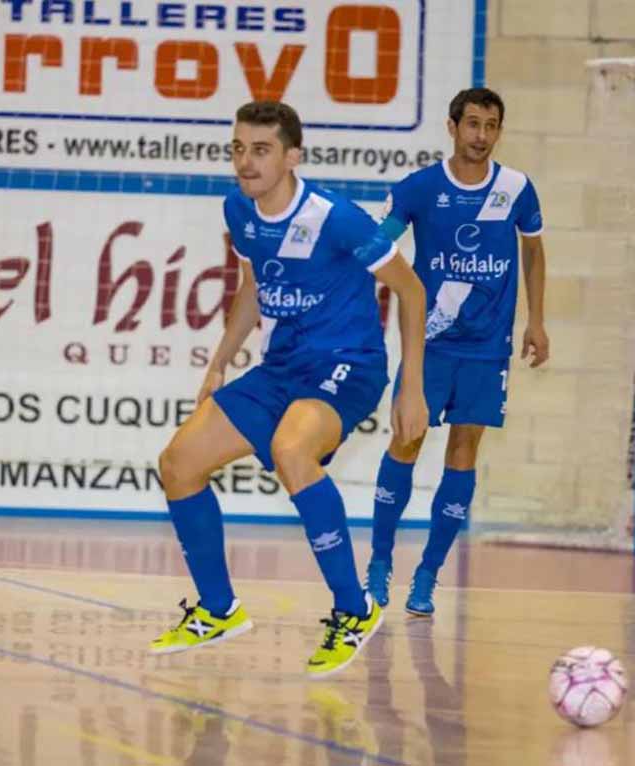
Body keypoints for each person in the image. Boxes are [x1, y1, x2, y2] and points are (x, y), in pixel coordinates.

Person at [149, 100, 429, 679]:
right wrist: (219, 363)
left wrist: (412, 388)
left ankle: (354, 609)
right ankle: (218, 608)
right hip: (281, 369)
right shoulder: (240, 208)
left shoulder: (338, 219)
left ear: (292, 156)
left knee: (291, 451)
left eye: (261, 150)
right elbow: (253, 286)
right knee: (178, 463)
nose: (246, 162)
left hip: (348, 364)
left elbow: (413, 290)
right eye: (238, 148)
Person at [365, 87, 550, 616]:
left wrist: (536, 319)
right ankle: (379, 563)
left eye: (491, 126)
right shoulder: (421, 188)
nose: (481, 136)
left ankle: (427, 575)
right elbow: (381, 244)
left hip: (487, 349)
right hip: (430, 346)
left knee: (464, 453)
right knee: (406, 442)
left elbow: (535, 254)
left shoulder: (516, 188)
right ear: (451, 127)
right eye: (472, 124)